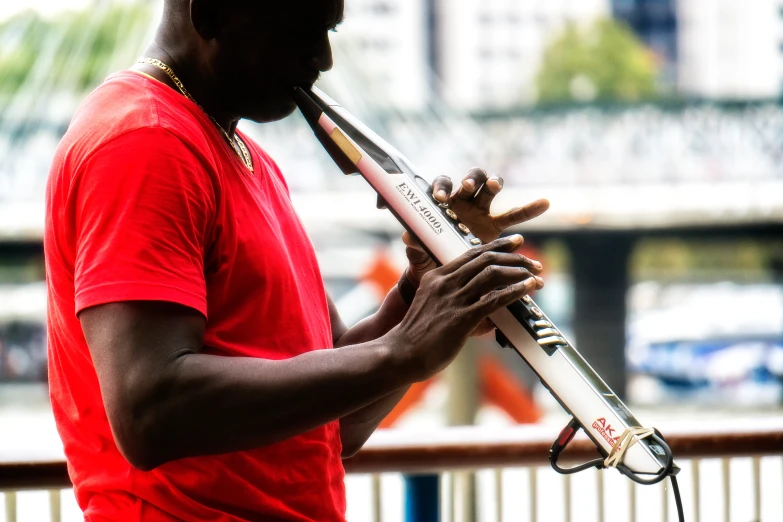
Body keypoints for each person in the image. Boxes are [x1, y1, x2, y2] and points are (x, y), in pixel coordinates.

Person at [44, 0, 550, 520]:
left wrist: (424, 294)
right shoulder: (144, 141)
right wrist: (404, 349)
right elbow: (149, 411)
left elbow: (337, 419)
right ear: (212, 14)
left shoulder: (242, 156)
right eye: (303, 30)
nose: (325, 59)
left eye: (328, 31)